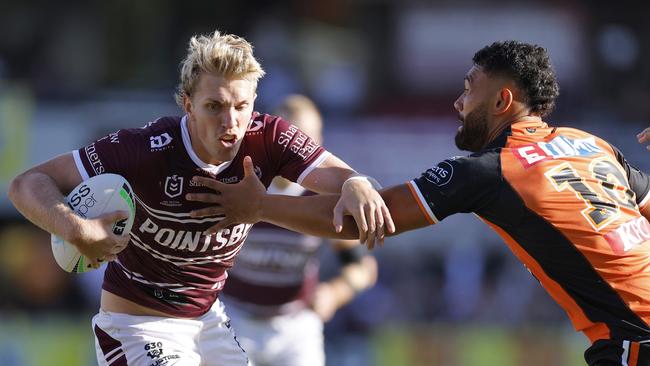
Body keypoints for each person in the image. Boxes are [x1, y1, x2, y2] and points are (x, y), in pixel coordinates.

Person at [195, 41, 650, 366]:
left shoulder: (488, 170)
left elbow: (364, 221)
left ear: (502, 100)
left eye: (469, 88)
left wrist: (258, 207)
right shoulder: (591, 145)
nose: (458, 101)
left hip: (633, 339)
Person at [7, 31, 392, 366]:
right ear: (187, 104)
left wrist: (355, 182)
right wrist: (77, 229)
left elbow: (348, 182)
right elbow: (27, 183)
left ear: (254, 102)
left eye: (241, 107)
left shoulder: (270, 139)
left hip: (210, 323)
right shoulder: (144, 150)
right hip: (139, 325)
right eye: (214, 107)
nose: (230, 122)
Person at [221, 94, 377, 366]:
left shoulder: (325, 199)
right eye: (294, 140)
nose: (302, 150)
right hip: (235, 317)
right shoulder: (240, 184)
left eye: (310, 141)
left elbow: (362, 268)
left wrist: (334, 293)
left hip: (295, 325)